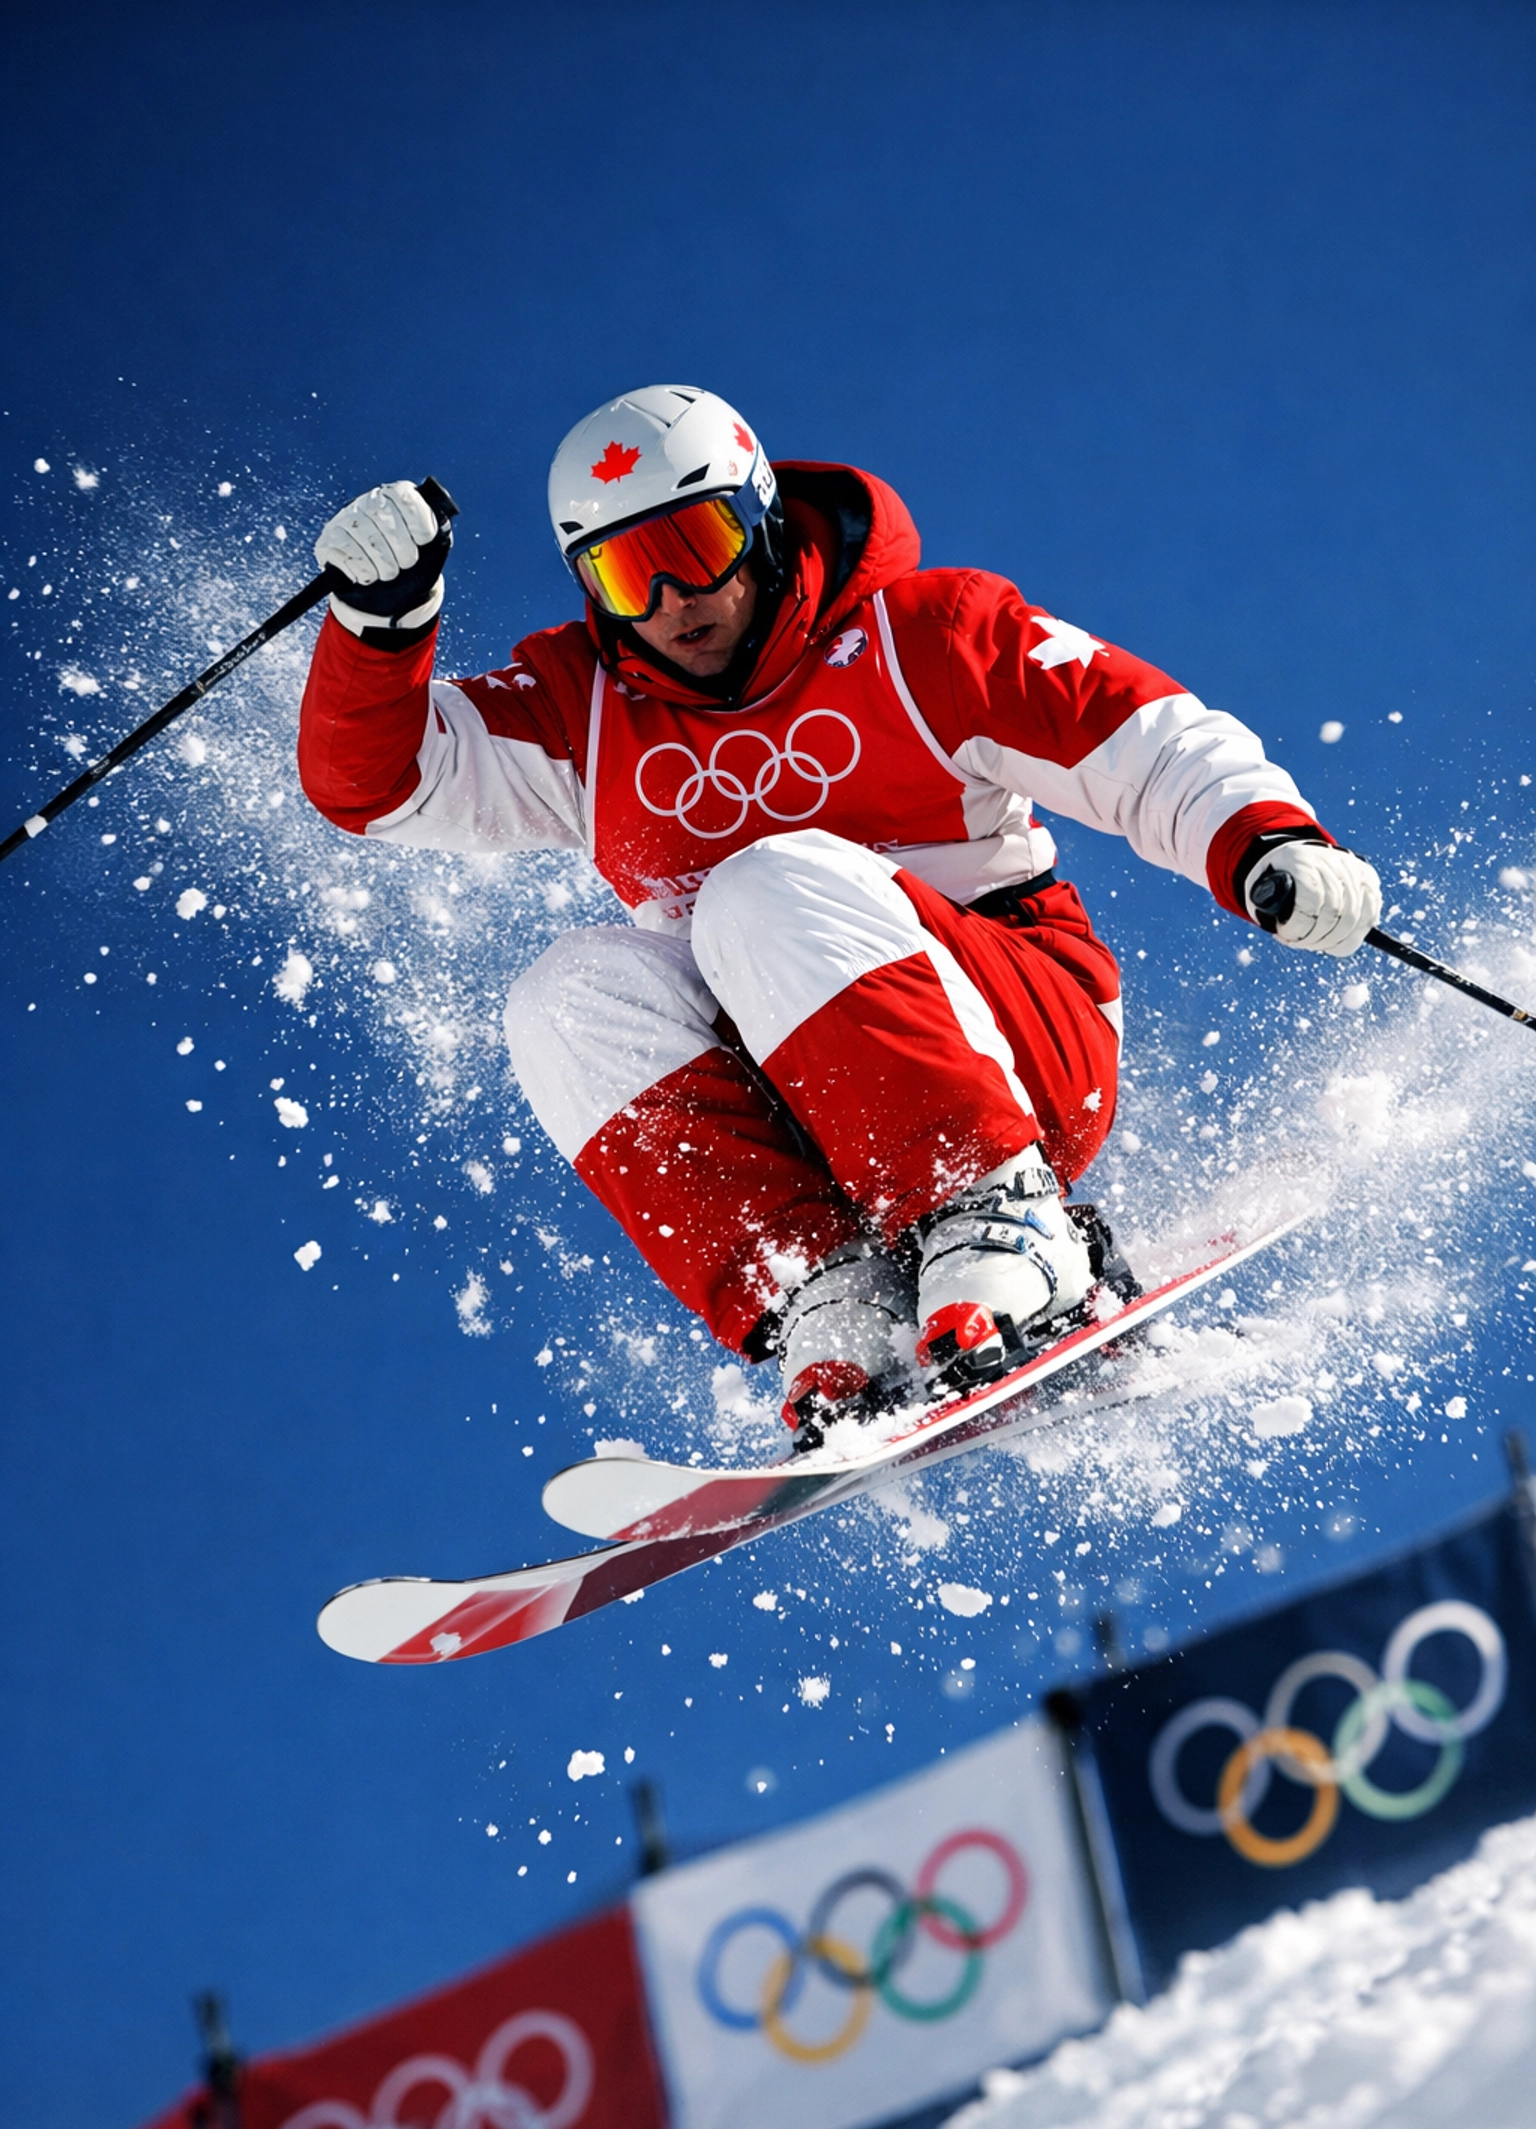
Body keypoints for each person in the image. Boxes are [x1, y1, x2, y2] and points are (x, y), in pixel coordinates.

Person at [296, 385, 1380, 1445]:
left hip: (1017, 1048)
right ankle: (826, 1283)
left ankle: (1003, 1221)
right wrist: (380, 629)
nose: (672, 598)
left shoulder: (924, 636)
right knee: (562, 996)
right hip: (817, 1126)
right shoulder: (580, 707)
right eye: (628, 573)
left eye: (695, 542)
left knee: (760, 885)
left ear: (759, 514)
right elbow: (384, 786)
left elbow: (1140, 738)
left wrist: (1267, 842)